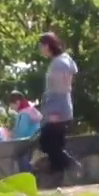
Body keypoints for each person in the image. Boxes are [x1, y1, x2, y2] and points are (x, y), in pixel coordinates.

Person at [38, 32, 80, 183]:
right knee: (51, 143)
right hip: (59, 107)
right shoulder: (62, 60)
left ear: (48, 46)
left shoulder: (59, 63)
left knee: (49, 143)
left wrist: (54, 111)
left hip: (57, 109)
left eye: (41, 46)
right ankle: (58, 176)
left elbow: (60, 88)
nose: (40, 49)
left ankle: (72, 166)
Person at [8, 90, 42, 172]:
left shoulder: (23, 114)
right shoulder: (31, 110)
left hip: (27, 143)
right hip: (35, 140)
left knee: (21, 160)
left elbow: (22, 132)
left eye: (12, 106)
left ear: (17, 102)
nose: (13, 109)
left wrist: (10, 138)